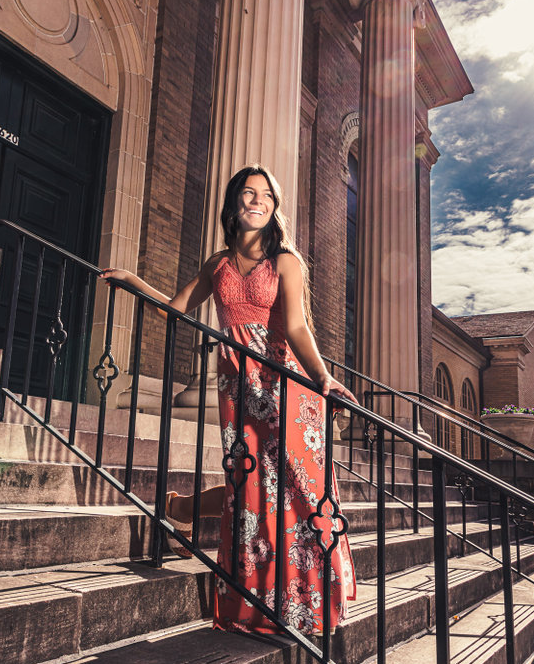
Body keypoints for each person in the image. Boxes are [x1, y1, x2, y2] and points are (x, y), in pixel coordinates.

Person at [99, 164, 356, 636]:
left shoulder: (285, 262)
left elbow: (297, 327)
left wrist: (323, 377)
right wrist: (135, 283)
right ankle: (253, 593)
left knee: (298, 487)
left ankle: (303, 601)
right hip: (238, 384)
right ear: (234, 203)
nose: (255, 201)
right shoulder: (217, 263)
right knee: (251, 484)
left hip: (286, 383)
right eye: (247, 193)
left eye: (265, 195)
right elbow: (176, 309)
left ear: (274, 208)